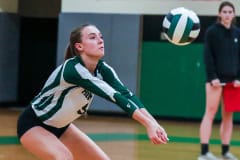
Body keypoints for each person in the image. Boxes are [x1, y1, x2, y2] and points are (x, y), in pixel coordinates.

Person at [17, 23, 169, 160]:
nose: (100, 40)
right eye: (92, 37)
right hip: (34, 124)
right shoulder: (74, 70)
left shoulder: (103, 69)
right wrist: (147, 124)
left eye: (101, 37)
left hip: (62, 127)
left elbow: (126, 95)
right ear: (79, 46)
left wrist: (153, 123)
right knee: (63, 157)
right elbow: (114, 96)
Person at [198, 1, 240, 160]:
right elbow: (208, 56)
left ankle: (225, 151)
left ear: (233, 14)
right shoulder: (212, 32)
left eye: (230, 12)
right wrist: (212, 77)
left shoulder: (238, 33)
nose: (227, 14)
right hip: (215, 81)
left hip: (233, 83)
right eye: (225, 11)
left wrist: (238, 78)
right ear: (219, 14)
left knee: (228, 117)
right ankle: (204, 152)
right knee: (209, 113)